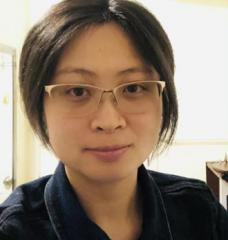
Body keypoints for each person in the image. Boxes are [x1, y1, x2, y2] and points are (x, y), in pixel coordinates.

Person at [0, 0, 227, 239]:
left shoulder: (201, 212)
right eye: (77, 91)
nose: (109, 121)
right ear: (39, 104)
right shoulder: (13, 231)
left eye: (134, 88)